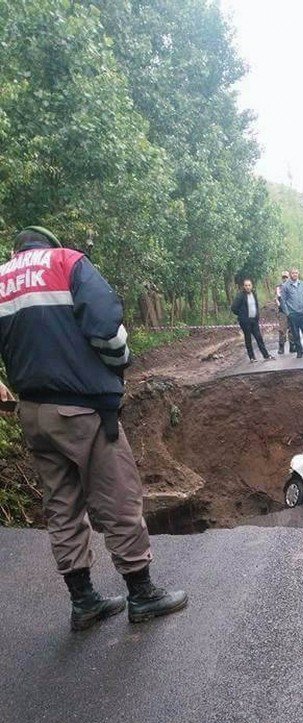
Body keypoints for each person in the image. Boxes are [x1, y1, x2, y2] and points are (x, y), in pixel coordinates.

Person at [0, 226, 187, 631]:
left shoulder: (3, 279)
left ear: (18, 250)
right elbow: (105, 327)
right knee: (118, 497)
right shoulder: (68, 262)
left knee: (62, 506)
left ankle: (83, 601)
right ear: (48, 244)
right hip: (82, 409)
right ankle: (141, 593)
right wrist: (119, 364)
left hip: (32, 413)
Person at [280, 268, 303, 358]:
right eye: (293, 273)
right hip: (293, 314)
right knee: (295, 334)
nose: (295, 275)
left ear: (298, 274)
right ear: (290, 274)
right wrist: (287, 313)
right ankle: (299, 352)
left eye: (296, 273)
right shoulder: (285, 286)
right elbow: (283, 301)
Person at [230, 278, 271, 362]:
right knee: (248, 339)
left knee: (259, 337)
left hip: (254, 320)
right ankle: (252, 357)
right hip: (245, 321)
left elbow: (256, 306)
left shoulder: (254, 294)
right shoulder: (240, 295)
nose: (248, 287)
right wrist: (242, 315)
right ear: (243, 286)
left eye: (249, 285)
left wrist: (257, 316)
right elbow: (233, 308)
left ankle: (266, 355)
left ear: (251, 286)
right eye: (246, 285)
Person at [275, 270, 292, 353]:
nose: (285, 279)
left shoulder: (292, 286)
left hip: (292, 311)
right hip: (282, 312)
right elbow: (279, 298)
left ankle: (292, 346)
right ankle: (281, 347)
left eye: (286, 277)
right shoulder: (279, 287)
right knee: (282, 330)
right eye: (283, 277)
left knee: (292, 330)